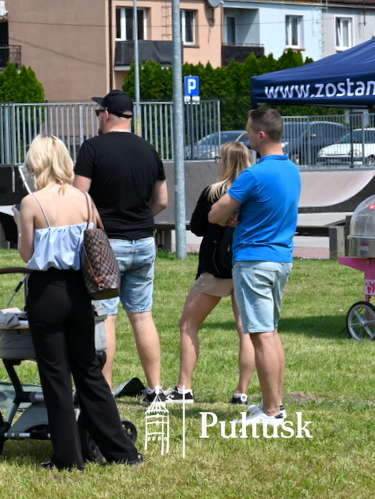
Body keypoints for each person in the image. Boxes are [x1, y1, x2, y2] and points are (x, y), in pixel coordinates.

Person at [18, 136, 143, 470]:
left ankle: (68, 458)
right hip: (81, 289)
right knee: (89, 371)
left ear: (38, 165)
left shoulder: (32, 202)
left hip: (47, 290)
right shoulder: (85, 200)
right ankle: (121, 451)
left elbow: (27, 254)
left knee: (55, 376)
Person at [73, 89, 168, 401]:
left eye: (98, 112)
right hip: (143, 240)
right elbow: (162, 201)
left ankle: (104, 391)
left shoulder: (92, 149)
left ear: (107, 114)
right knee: (142, 315)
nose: (97, 118)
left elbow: (79, 200)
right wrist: (139, 218)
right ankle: (155, 389)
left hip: (107, 245)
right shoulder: (149, 150)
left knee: (106, 317)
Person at [209, 108, 300, 427]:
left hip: (254, 261)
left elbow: (215, 213)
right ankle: (272, 403)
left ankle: (272, 411)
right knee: (270, 333)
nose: (246, 136)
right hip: (280, 259)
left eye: (249, 131)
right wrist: (242, 214)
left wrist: (232, 215)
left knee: (260, 335)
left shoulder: (254, 174)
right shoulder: (292, 170)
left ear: (261, 135)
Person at [167, 141, 256, 405]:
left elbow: (196, 226)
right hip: (246, 266)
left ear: (225, 163)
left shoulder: (214, 192)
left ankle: (184, 388)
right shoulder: (255, 191)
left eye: (219, 158)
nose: (217, 161)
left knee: (188, 325)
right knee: (246, 330)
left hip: (215, 269)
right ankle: (242, 392)